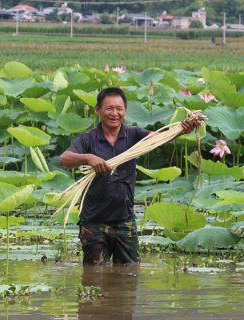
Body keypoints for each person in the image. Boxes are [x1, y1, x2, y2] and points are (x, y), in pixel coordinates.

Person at [59, 87, 199, 265]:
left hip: (124, 220)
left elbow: (159, 138)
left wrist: (181, 129)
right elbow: (64, 159)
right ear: (98, 110)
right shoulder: (89, 138)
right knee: (94, 274)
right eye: (109, 108)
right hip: (93, 222)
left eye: (119, 109)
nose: (114, 113)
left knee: (129, 273)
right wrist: (88, 157)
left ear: (125, 111)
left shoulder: (133, 134)